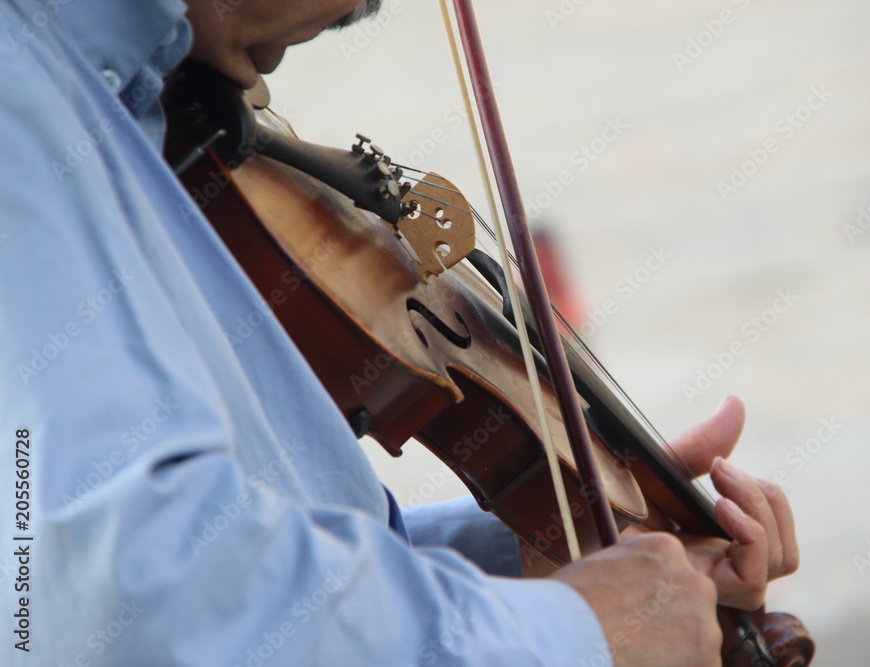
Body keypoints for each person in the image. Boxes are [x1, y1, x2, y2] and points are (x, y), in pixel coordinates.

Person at [0, 0, 799, 665]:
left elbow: (209, 566)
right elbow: (125, 599)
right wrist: (566, 635)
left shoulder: (117, 105)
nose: (365, 8)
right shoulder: (21, 102)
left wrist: (544, 555)